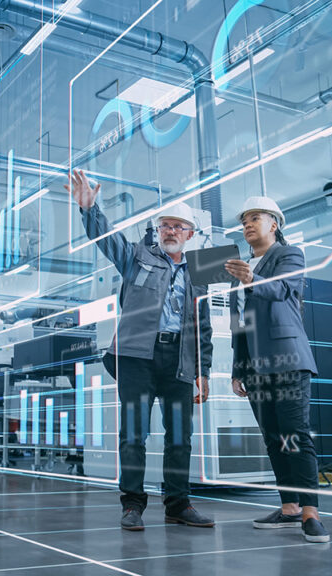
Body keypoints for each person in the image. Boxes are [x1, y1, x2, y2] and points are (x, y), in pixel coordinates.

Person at [65, 169, 214, 532]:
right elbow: (106, 239)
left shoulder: (199, 272)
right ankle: (132, 504)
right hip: (136, 359)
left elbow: (203, 327)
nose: (171, 232)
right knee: (133, 434)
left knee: (180, 436)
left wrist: (203, 371)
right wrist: (90, 209)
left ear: (190, 235)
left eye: (179, 227)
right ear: (158, 231)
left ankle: (178, 504)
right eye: (166, 226)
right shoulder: (136, 256)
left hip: (179, 360)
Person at [223, 196, 329, 543]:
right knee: (273, 438)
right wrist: (238, 369)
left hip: (287, 359)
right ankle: (289, 507)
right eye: (244, 221)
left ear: (275, 224)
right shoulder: (237, 269)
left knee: (294, 434)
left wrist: (251, 276)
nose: (248, 225)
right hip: (255, 367)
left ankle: (310, 512)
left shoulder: (289, 255)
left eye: (255, 217)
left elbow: (284, 290)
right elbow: (239, 324)